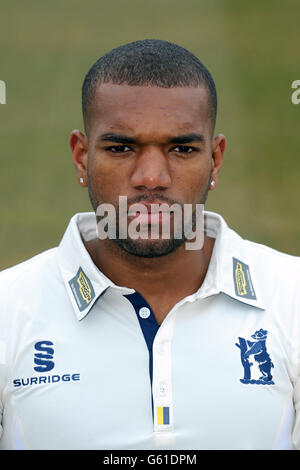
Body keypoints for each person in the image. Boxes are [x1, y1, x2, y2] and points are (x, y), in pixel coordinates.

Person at [0, 39, 299, 451]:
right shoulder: (8, 310)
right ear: (80, 157)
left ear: (215, 160)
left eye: (182, 149)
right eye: (121, 148)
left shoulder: (292, 297)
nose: (152, 177)